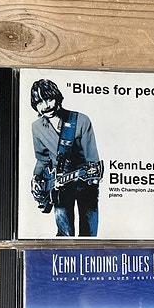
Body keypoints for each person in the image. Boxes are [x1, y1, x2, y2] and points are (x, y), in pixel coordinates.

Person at [30, 79, 102, 236]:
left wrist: (93, 180)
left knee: (89, 235)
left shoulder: (81, 120)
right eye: (39, 102)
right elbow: (42, 159)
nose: (46, 105)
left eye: (49, 99)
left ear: (57, 97)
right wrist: (36, 178)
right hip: (58, 185)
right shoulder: (36, 127)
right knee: (64, 235)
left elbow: (92, 159)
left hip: (85, 182)